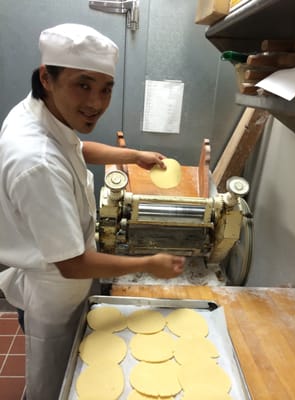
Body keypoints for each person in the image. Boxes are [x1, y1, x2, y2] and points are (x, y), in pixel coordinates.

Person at [0, 23, 185, 400]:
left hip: (61, 272)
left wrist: (134, 156)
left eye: (105, 89)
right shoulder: (36, 162)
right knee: (52, 383)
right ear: (46, 78)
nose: (96, 103)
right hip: (55, 290)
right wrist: (150, 263)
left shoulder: (37, 114)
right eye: (82, 85)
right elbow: (72, 264)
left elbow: (76, 150)